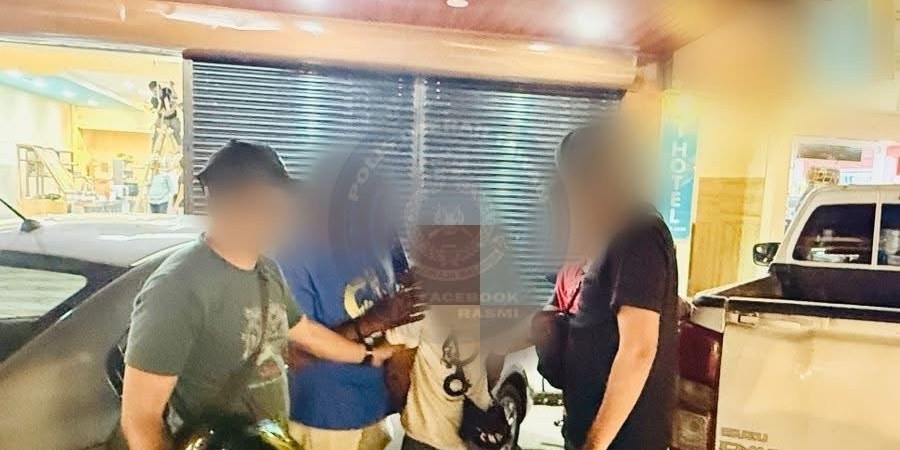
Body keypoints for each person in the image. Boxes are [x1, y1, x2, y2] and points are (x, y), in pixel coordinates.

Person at [120, 140, 395, 450]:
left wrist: (368, 356)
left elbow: (304, 331)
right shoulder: (178, 288)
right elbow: (140, 419)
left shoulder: (266, 269)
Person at [278, 149, 425, 450]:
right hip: (324, 419)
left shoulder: (378, 239)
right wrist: (374, 321)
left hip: (374, 409)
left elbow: (401, 287)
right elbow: (294, 353)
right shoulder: (293, 255)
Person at [553, 125, 679, 450]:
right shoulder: (616, 234)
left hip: (622, 442)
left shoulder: (638, 235)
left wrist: (595, 444)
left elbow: (638, 350)